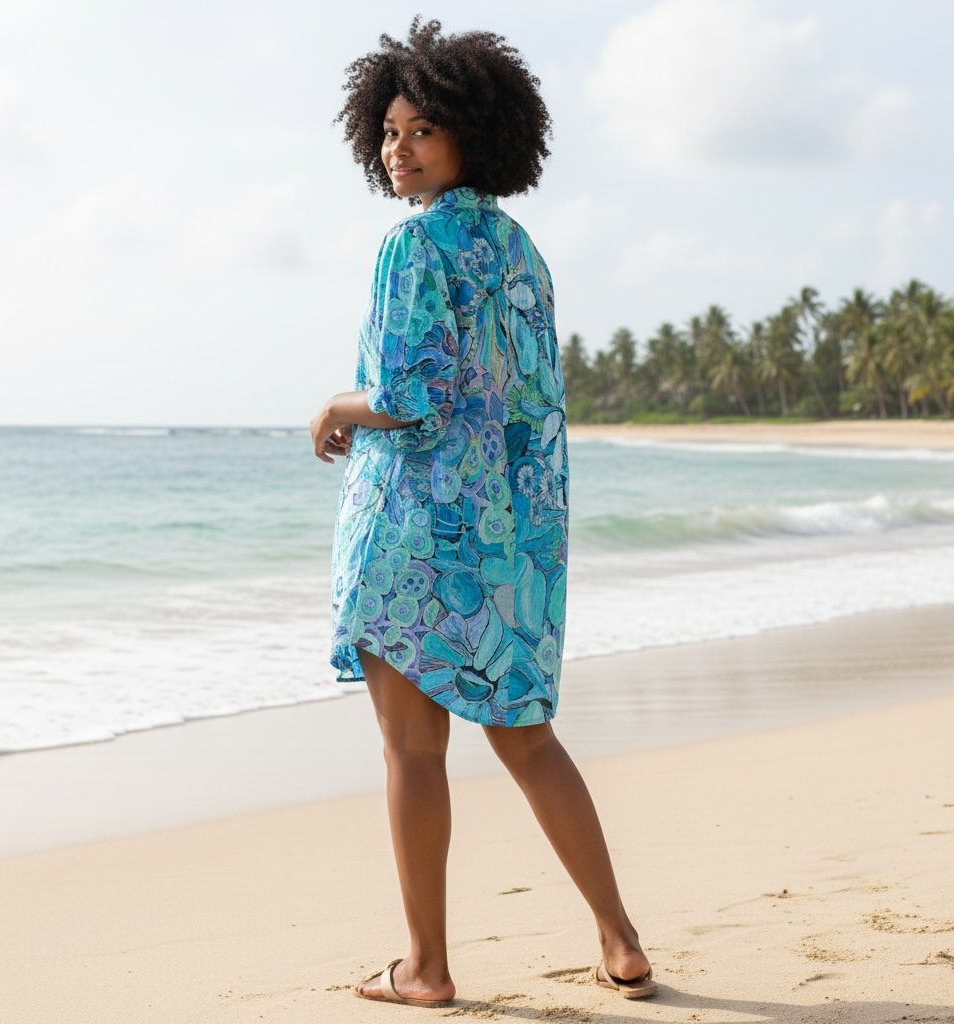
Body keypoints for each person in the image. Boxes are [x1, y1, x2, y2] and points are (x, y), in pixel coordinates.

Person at [310, 17, 655, 1009]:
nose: (397, 150)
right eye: (386, 133)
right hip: (513, 539)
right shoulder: (521, 252)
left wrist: (338, 405)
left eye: (420, 130)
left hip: (415, 535)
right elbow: (524, 397)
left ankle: (424, 967)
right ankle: (619, 937)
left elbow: (412, 395)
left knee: (413, 752)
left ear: (471, 130)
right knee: (530, 739)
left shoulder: (411, 246)